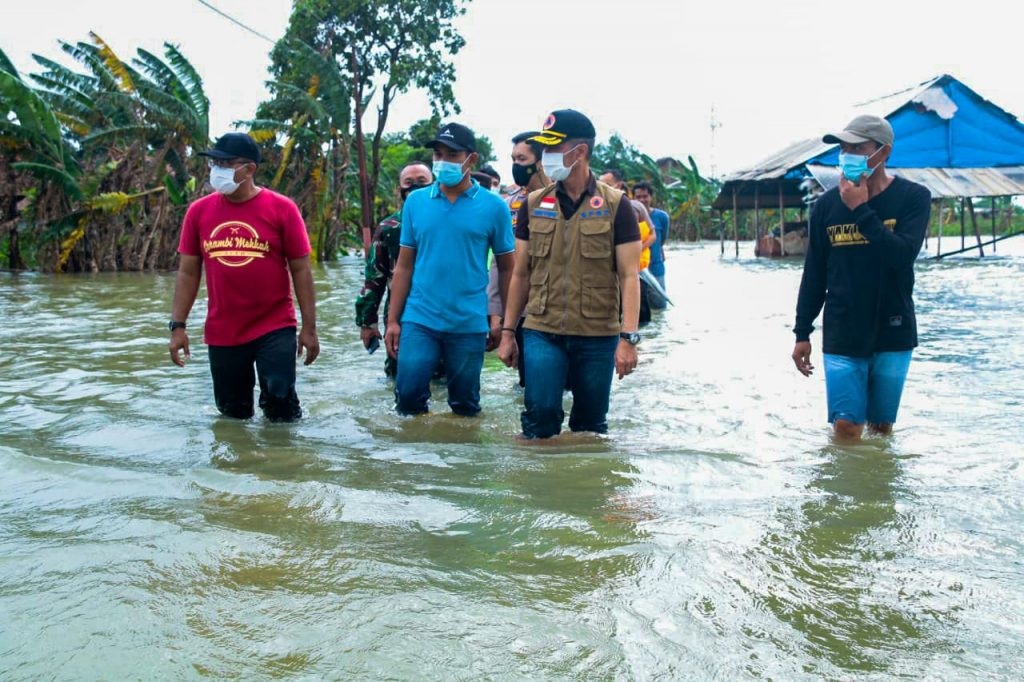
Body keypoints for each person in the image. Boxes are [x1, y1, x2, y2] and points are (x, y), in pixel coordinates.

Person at [498, 109, 642, 439]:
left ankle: (585, 491)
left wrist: (628, 338)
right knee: (540, 417)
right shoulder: (533, 205)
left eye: (552, 148)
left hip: (597, 334)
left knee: (590, 426)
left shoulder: (616, 206)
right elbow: (520, 274)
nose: (544, 157)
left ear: (580, 152)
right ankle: (538, 488)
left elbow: (629, 275)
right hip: (542, 328)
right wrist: (508, 332)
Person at [792, 114, 931, 441]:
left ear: (882, 153)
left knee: (881, 429)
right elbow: (814, 273)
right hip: (842, 329)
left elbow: (901, 257)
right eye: (844, 148)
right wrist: (802, 331)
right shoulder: (825, 206)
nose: (847, 155)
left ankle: (875, 490)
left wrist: (860, 210)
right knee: (846, 426)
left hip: (893, 328)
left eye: (857, 147)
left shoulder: (914, 198)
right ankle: (843, 490)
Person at [168, 132, 319, 421]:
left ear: (249, 169)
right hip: (223, 330)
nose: (217, 171)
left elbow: (301, 270)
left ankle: (284, 463)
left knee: (281, 408)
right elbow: (188, 272)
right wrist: (178, 326)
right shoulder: (198, 212)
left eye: (225, 164)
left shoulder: (282, 209)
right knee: (232, 416)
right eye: (214, 163)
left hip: (275, 326)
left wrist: (309, 328)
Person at [385, 123, 515, 416]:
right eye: (438, 153)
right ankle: (415, 460)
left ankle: (461, 459)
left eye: (452, 154)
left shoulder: (494, 207)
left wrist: (504, 322)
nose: (442, 160)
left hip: (469, 321)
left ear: (471, 160)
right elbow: (404, 266)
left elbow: (507, 269)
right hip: (420, 318)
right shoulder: (416, 203)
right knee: (407, 397)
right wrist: (394, 321)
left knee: (465, 405)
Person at [354, 161, 433, 377]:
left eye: (422, 182)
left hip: (444, 313)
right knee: (400, 377)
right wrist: (367, 322)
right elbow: (374, 278)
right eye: (409, 183)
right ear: (399, 189)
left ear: (434, 184)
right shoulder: (389, 229)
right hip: (401, 314)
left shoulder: (448, 221)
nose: (415, 187)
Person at [486, 130, 551, 386]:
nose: (515, 166)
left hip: (560, 307)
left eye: (521, 159)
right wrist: (497, 316)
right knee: (530, 385)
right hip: (522, 310)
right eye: (512, 159)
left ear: (541, 161)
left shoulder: (565, 201)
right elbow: (500, 263)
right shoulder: (508, 205)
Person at [599, 170, 657, 325]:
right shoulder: (596, 207)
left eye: (607, 184)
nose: (602, 188)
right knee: (613, 313)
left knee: (642, 314)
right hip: (608, 273)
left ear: (618, 185)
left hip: (637, 269)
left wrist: (635, 252)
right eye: (600, 184)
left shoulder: (636, 206)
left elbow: (653, 235)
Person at [632, 180, 670, 296]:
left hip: (656, 266)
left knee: (659, 306)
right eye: (638, 197)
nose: (642, 200)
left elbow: (662, 239)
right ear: (633, 198)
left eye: (645, 196)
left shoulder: (662, 217)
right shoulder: (628, 215)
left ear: (651, 197)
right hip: (635, 268)